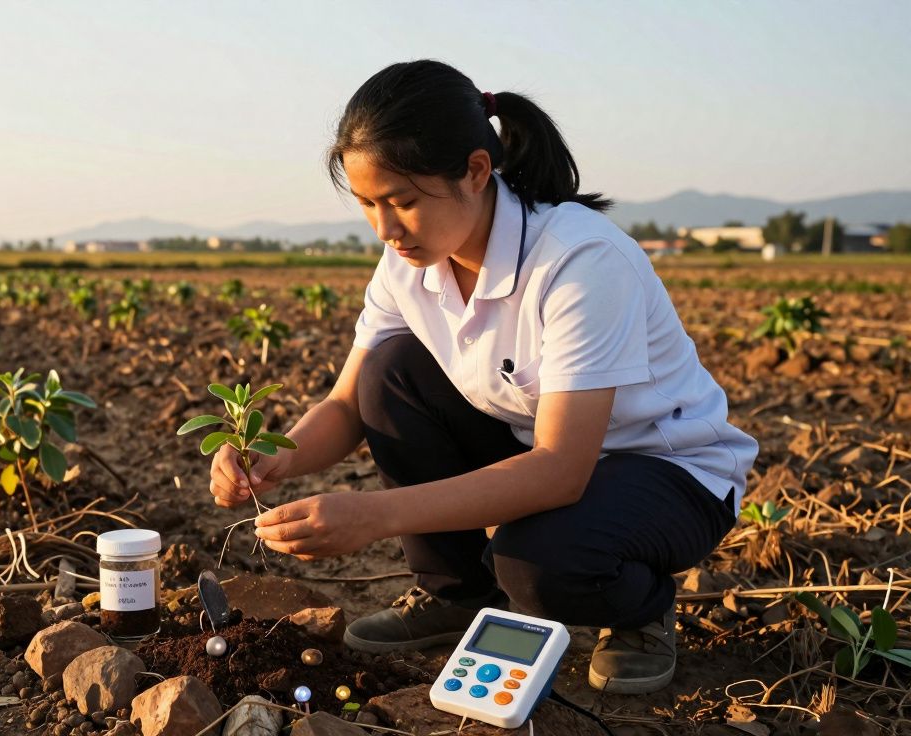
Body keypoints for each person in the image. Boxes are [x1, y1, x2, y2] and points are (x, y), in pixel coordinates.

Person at [207, 60, 758, 695]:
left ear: (475, 170)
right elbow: (347, 403)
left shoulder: (578, 260)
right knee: (390, 373)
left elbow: (560, 468)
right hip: (541, 448)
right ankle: (456, 595)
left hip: (667, 472)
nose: (386, 229)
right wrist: (271, 458)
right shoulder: (407, 264)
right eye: (367, 204)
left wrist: (375, 515)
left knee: (534, 564)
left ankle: (640, 608)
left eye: (404, 202)